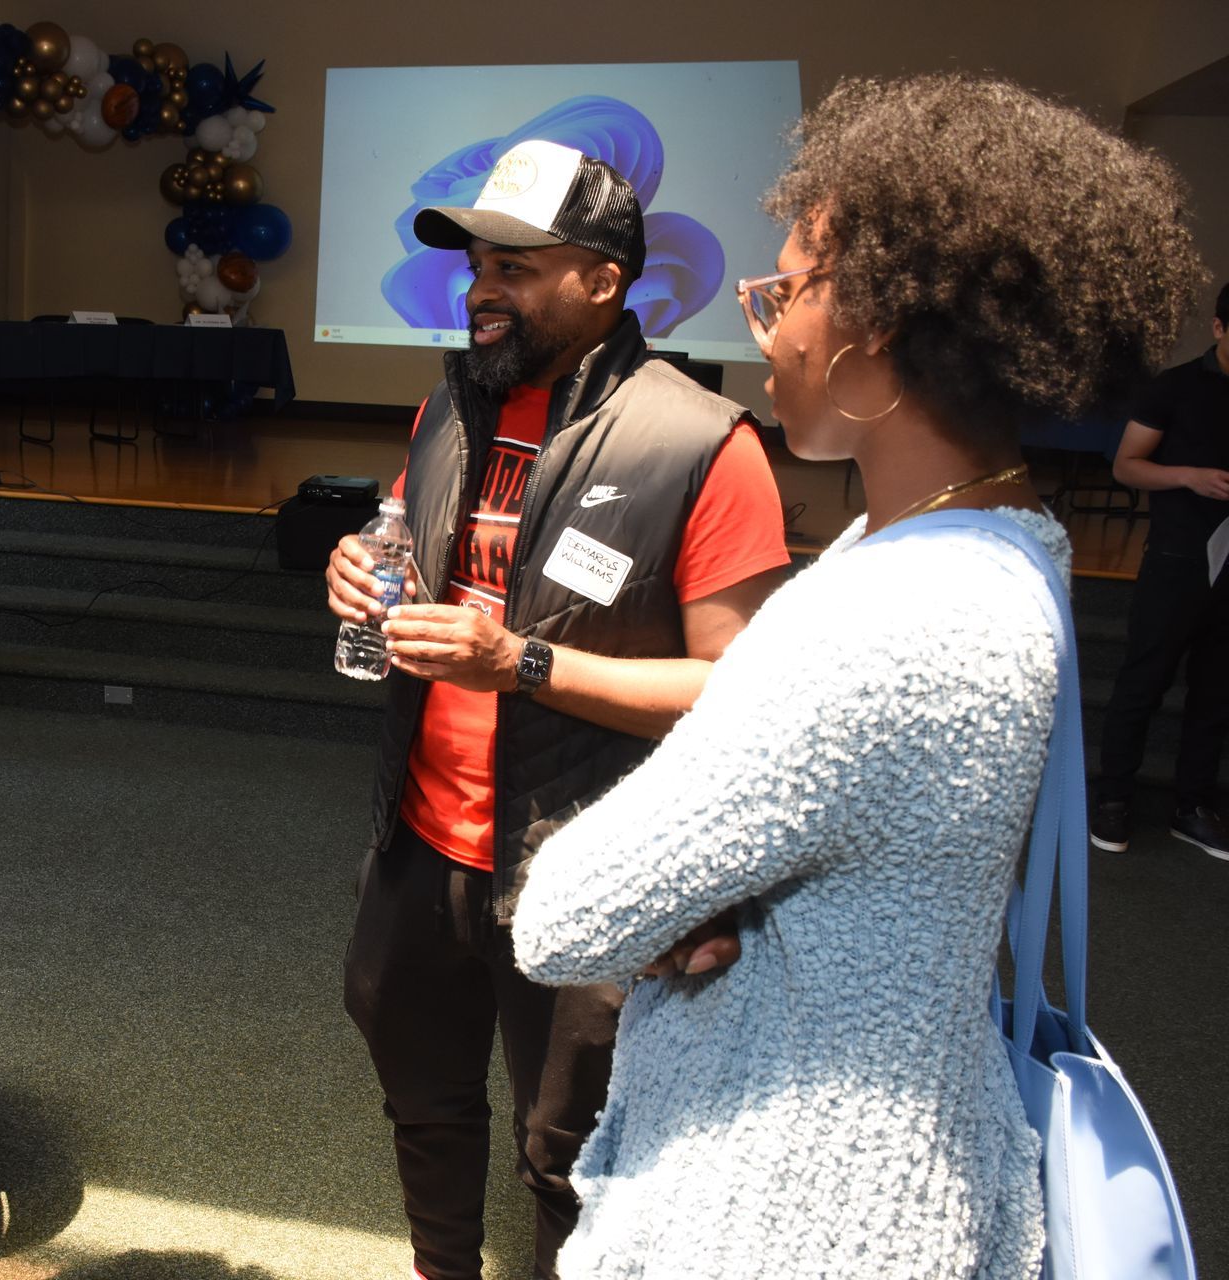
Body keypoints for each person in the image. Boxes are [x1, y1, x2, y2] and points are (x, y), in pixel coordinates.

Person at [511, 74, 1200, 1278]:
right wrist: (718, 886)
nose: (764, 327)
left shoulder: (890, 611)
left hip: (786, 1207)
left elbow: (571, 914)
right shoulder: (1000, 538)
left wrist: (687, 894)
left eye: (783, 292)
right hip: (918, 1147)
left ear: (878, 339)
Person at [328, 138, 791, 1280]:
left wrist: (521, 663)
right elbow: (409, 547)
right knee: (425, 1105)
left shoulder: (703, 443)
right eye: (479, 264)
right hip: (423, 845)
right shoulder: (448, 405)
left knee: (570, 1153)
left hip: (589, 864)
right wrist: (358, 562)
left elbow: (739, 697)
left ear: (605, 278)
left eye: (519, 267)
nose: (484, 289)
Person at [1091, 280, 1229, 859]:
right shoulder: (1175, 388)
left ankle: (1191, 807)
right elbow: (1127, 466)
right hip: (1177, 556)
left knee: (1218, 690)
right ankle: (1113, 799)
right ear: (1219, 328)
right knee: (1144, 679)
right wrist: (1189, 476)